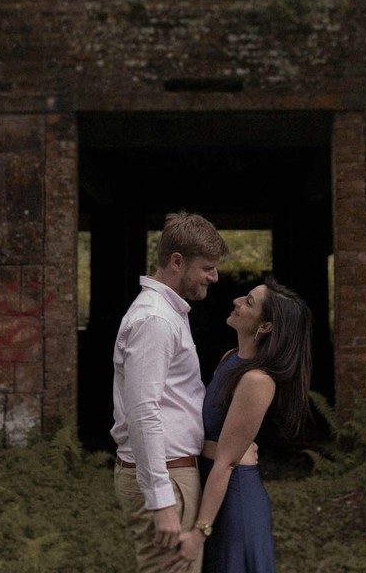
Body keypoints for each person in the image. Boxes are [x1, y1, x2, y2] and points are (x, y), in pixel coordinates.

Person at [169, 277, 313, 573]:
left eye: (248, 302)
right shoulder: (229, 359)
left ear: (265, 327)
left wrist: (200, 531)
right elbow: (213, 431)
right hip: (210, 491)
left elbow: (226, 463)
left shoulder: (257, 380)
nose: (236, 301)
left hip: (234, 502)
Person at [113, 211, 229, 573]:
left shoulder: (169, 313)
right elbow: (143, 411)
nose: (215, 276)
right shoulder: (156, 320)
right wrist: (162, 501)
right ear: (177, 262)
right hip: (166, 479)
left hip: (172, 474)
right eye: (207, 267)